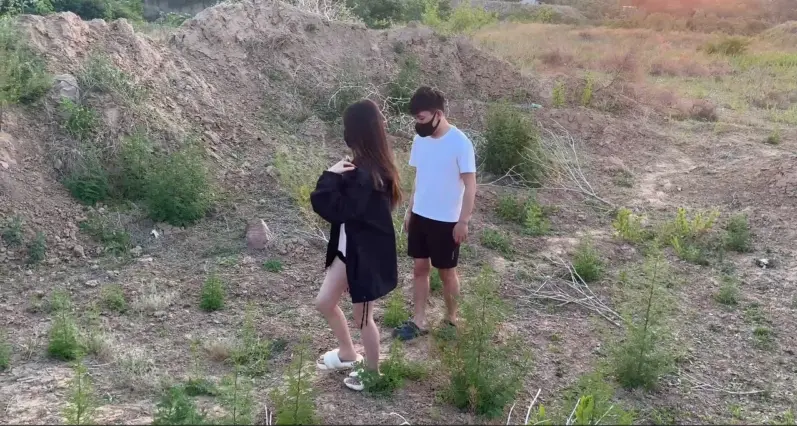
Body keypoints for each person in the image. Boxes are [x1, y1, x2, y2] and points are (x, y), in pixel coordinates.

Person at [310, 99, 402, 391]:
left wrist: (329, 176)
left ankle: (373, 373)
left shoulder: (366, 175)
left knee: (363, 318)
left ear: (355, 131)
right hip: (349, 250)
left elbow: (335, 208)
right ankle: (348, 353)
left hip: (364, 256)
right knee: (325, 302)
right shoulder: (367, 167)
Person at [393, 86, 477, 341]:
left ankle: (451, 320)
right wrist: (410, 211)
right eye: (416, 119)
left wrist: (463, 221)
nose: (418, 124)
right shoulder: (420, 140)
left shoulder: (460, 143)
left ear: (438, 114)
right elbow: (420, 176)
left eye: (422, 118)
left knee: (446, 271)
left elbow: (471, 185)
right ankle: (419, 320)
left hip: (447, 221)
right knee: (420, 268)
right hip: (421, 216)